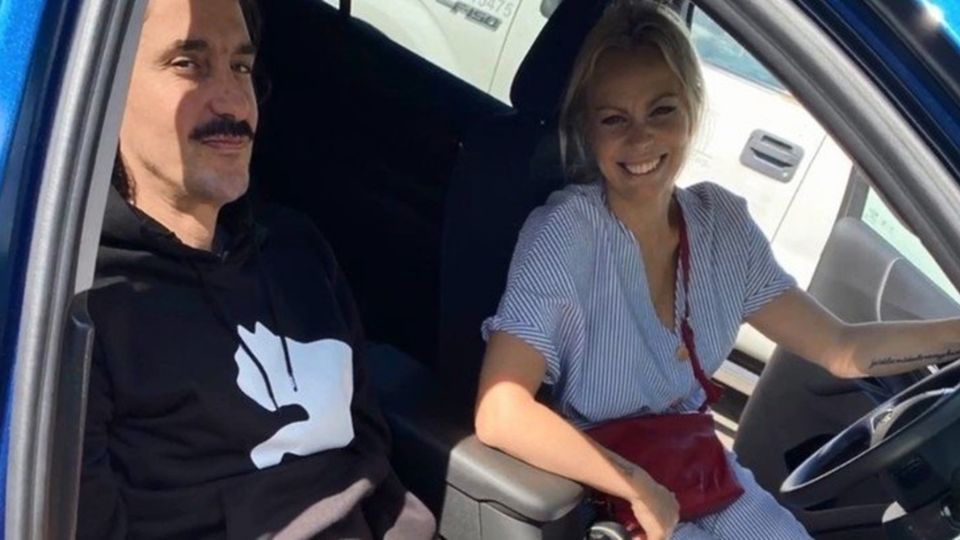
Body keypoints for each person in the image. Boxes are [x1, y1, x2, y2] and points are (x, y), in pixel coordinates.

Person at [473, 1, 960, 539]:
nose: (640, 139)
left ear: (691, 110)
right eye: (614, 119)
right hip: (607, 499)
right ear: (588, 129)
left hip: (705, 477)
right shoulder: (565, 234)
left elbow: (842, 349)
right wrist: (636, 485)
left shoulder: (721, 225)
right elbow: (501, 410)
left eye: (662, 111)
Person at [77, 0, 436, 538]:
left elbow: (368, 448)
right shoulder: (87, 302)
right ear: (108, 93)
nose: (233, 100)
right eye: (188, 64)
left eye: (241, 66)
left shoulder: (296, 250)